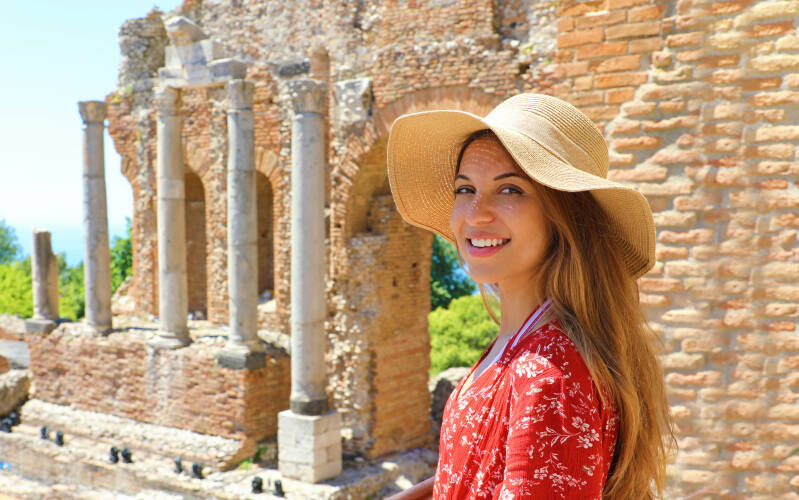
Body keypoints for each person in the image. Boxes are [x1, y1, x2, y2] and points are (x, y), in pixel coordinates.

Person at [385, 93, 674, 499]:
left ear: (564, 216)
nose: (475, 213)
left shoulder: (548, 375)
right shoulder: (525, 344)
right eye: (465, 189)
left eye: (510, 190)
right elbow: (483, 474)